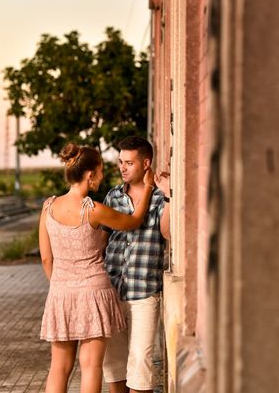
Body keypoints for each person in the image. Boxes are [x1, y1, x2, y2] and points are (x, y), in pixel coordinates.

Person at [38, 143, 156, 393]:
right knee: (91, 366)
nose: (102, 177)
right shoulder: (94, 210)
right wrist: (147, 188)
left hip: (60, 294)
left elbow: (47, 259)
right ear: (90, 174)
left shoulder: (48, 207)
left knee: (59, 367)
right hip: (94, 293)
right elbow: (134, 221)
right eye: (101, 171)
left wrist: (61, 285)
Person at [102, 137, 170, 393]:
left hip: (144, 292)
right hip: (111, 288)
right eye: (121, 162)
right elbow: (102, 239)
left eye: (129, 163)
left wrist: (168, 196)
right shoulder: (113, 196)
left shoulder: (158, 198)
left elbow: (166, 232)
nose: (123, 168)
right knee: (114, 364)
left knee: (140, 361)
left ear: (146, 163)